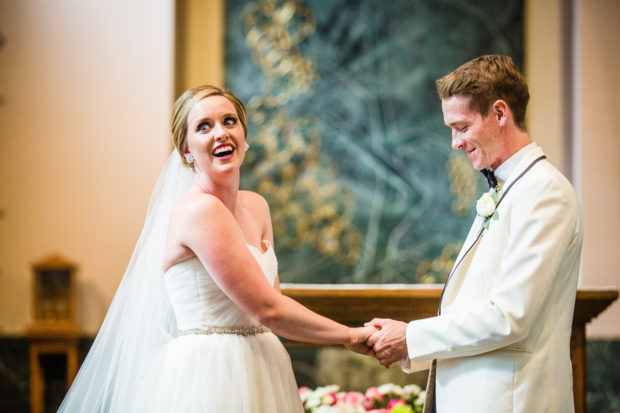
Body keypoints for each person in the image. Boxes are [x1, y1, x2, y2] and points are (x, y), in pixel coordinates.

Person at [58, 85, 375, 412]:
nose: (221, 133)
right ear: (186, 151)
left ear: (244, 134)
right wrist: (348, 336)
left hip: (263, 364)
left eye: (229, 121)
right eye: (204, 127)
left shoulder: (257, 206)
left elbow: (274, 307)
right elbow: (268, 309)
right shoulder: (198, 211)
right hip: (210, 373)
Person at [366, 55, 583, 413]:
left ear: (499, 114)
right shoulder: (508, 188)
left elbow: (509, 316)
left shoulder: (545, 192)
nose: (454, 142)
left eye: (462, 127)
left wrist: (410, 337)